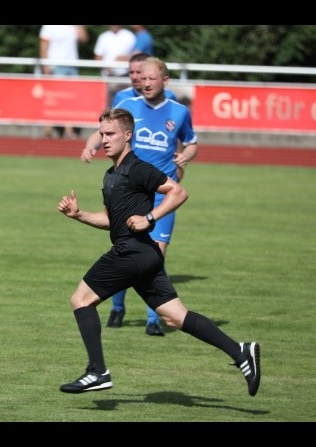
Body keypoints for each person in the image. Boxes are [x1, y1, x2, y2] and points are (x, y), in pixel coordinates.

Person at [57, 107, 260, 397]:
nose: (104, 139)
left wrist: (150, 218)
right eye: (101, 133)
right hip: (143, 254)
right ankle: (241, 352)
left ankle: (97, 371)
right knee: (175, 317)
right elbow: (110, 221)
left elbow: (179, 192)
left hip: (132, 251)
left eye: (110, 133)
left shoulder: (138, 168)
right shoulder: (110, 175)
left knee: (80, 300)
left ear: (128, 135)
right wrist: (78, 215)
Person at [99, 53, 182, 335]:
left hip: (161, 192)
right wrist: (91, 146)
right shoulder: (125, 103)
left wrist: (183, 160)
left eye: (148, 76)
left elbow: (189, 144)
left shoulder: (179, 110)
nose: (142, 80)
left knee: (155, 255)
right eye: (138, 75)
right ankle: (118, 307)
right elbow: (104, 129)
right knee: (127, 251)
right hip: (131, 188)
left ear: (164, 80)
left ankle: (152, 318)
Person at [39, 25, 89, 139]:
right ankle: (48, 130)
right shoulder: (49, 26)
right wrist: (45, 65)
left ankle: (68, 130)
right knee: (53, 99)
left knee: (70, 100)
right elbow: (43, 46)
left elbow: (84, 39)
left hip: (72, 67)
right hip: (55, 66)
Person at [93, 25, 136, 106]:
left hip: (125, 77)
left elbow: (136, 56)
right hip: (108, 77)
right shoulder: (103, 37)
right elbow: (97, 57)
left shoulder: (129, 35)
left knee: (126, 104)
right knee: (107, 105)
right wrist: (106, 67)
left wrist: (126, 58)